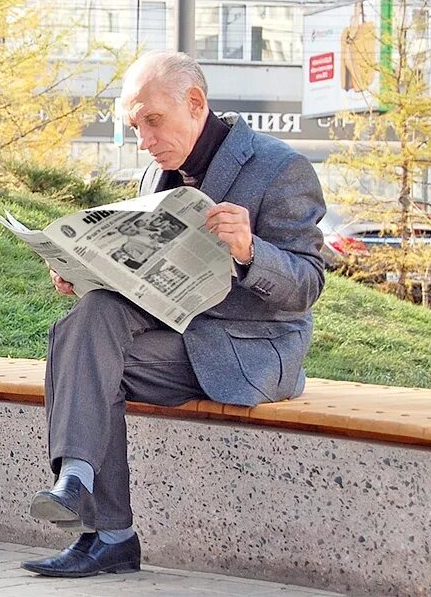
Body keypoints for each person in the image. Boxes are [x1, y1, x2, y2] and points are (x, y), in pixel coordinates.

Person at [22, 51, 325, 577]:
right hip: (181, 339)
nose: (144, 140)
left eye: (153, 121)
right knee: (87, 321)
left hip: (251, 349)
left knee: (87, 360)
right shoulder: (154, 177)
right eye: (135, 126)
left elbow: (307, 285)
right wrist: (85, 271)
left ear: (196, 103)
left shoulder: (281, 168)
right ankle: (82, 489)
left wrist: (251, 250)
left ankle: (104, 528)